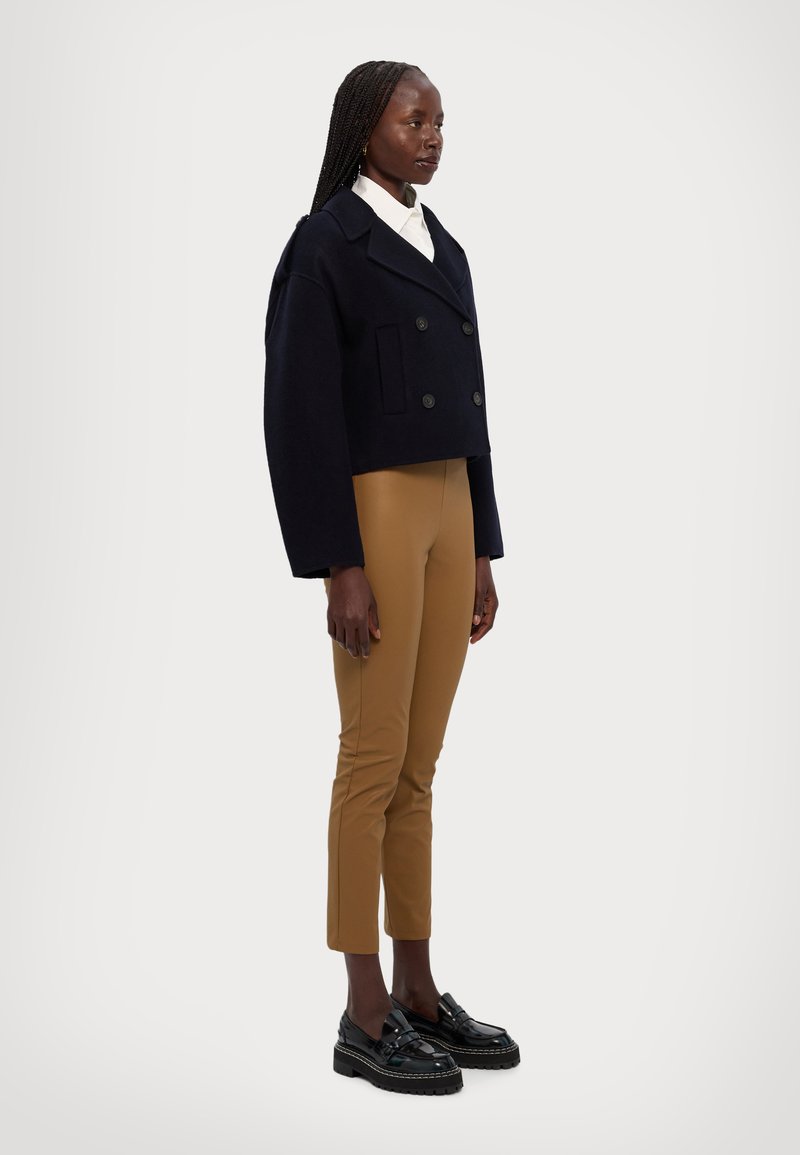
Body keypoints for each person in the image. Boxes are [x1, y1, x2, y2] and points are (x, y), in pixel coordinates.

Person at [263, 59, 520, 1095]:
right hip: (374, 509)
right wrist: (338, 563)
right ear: (366, 125)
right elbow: (297, 413)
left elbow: (472, 399)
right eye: (415, 119)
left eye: (440, 121)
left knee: (419, 766)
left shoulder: (442, 245)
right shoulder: (326, 244)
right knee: (370, 761)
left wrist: (484, 542)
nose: (431, 135)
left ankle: (417, 987)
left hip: (450, 503)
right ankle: (362, 1010)